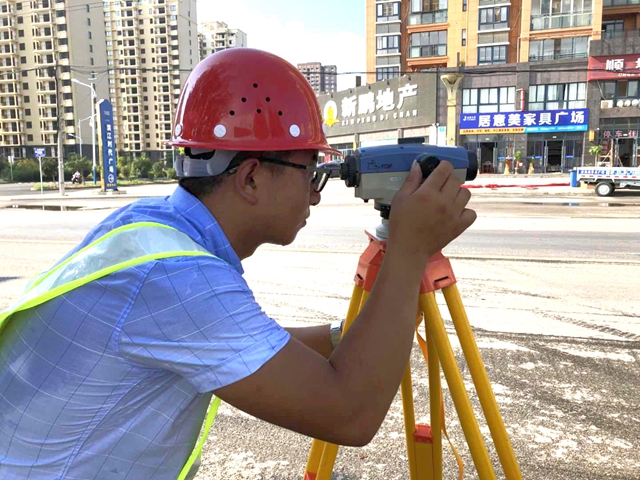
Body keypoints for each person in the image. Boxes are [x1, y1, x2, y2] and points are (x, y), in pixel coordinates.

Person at [0, 48, 476, 479]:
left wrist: (343, 336)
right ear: (250, 177)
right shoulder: (178, 279)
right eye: (310, 172)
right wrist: (410, 249)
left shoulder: (149, 228)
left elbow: (250, 345)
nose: (314, 194)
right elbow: (350, 414)